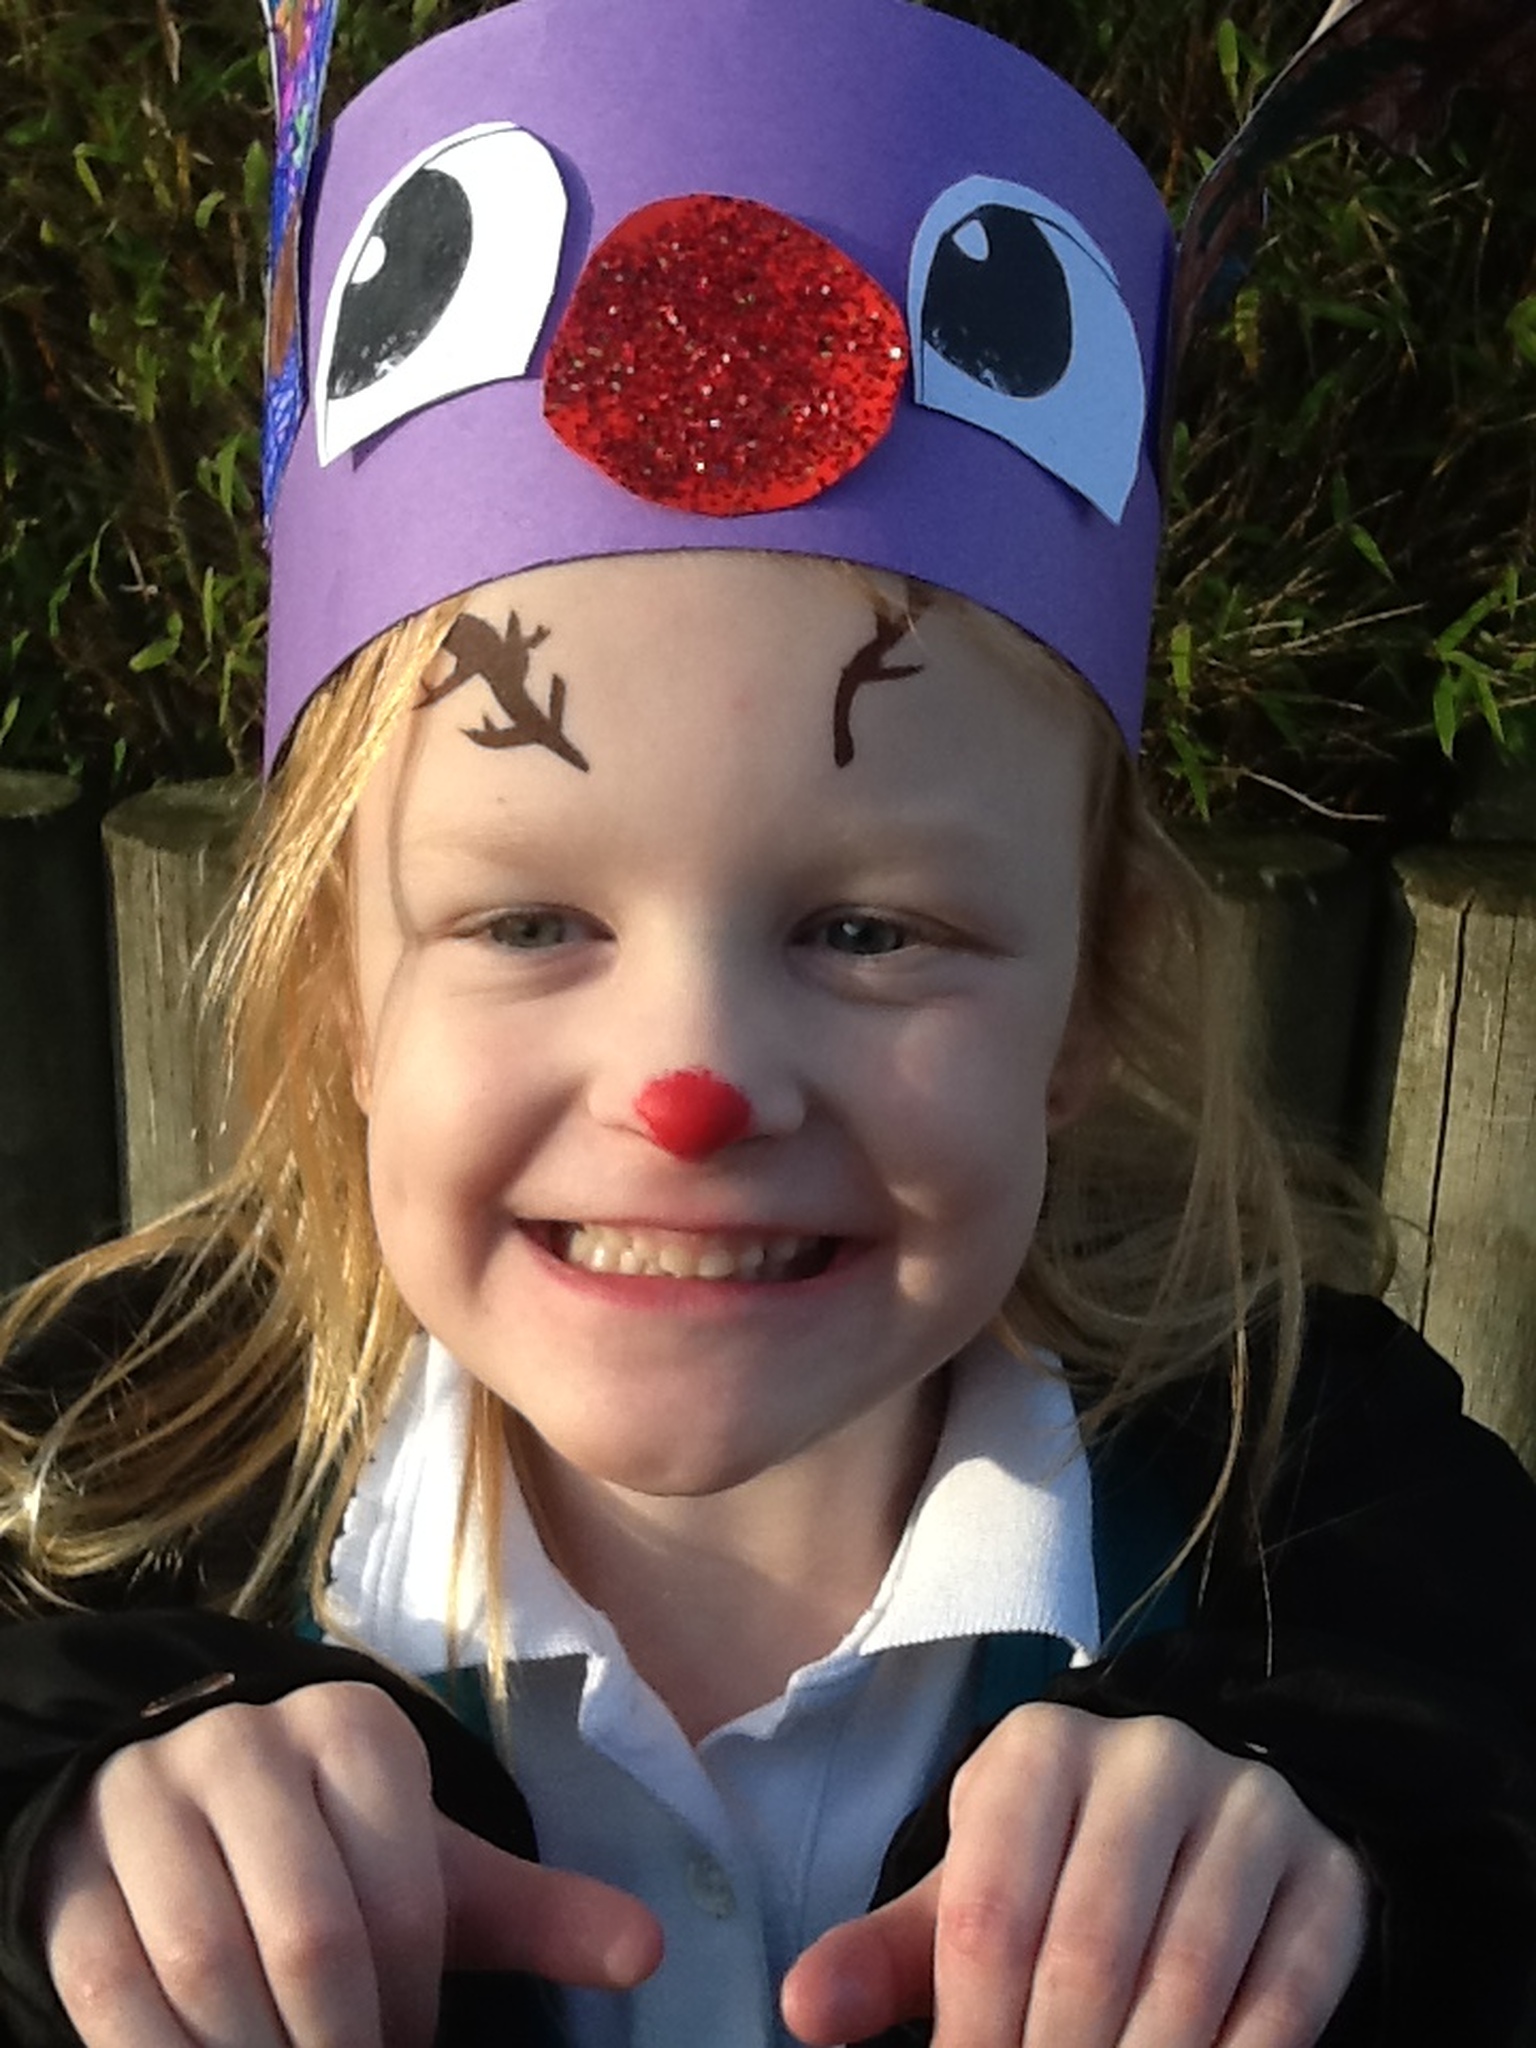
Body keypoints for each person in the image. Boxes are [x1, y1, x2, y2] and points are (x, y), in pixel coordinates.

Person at [3, 2, 1536, 2046]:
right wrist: (52, 1880)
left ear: (1090, 991)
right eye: (528, 919)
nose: (693, 1084)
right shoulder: (82, 1514)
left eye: (871, 930)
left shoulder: (1344, 1535)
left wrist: (1348, 1889)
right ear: (339, 985)